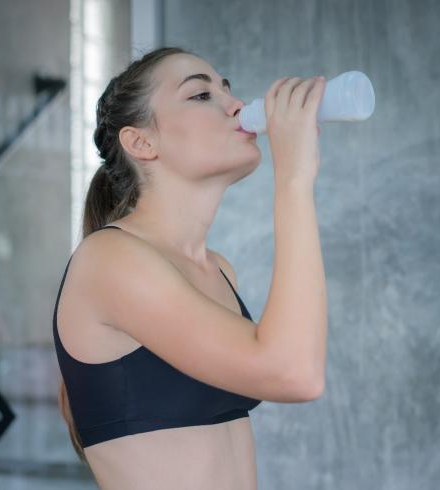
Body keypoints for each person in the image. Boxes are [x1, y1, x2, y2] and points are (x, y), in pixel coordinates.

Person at [52, 46, 328, 489]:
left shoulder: (218, 270)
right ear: (142, 142)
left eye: (227, 89)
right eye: (201, 95)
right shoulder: (109, 261)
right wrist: (294, 180)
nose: (235, 105)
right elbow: (293, 373)